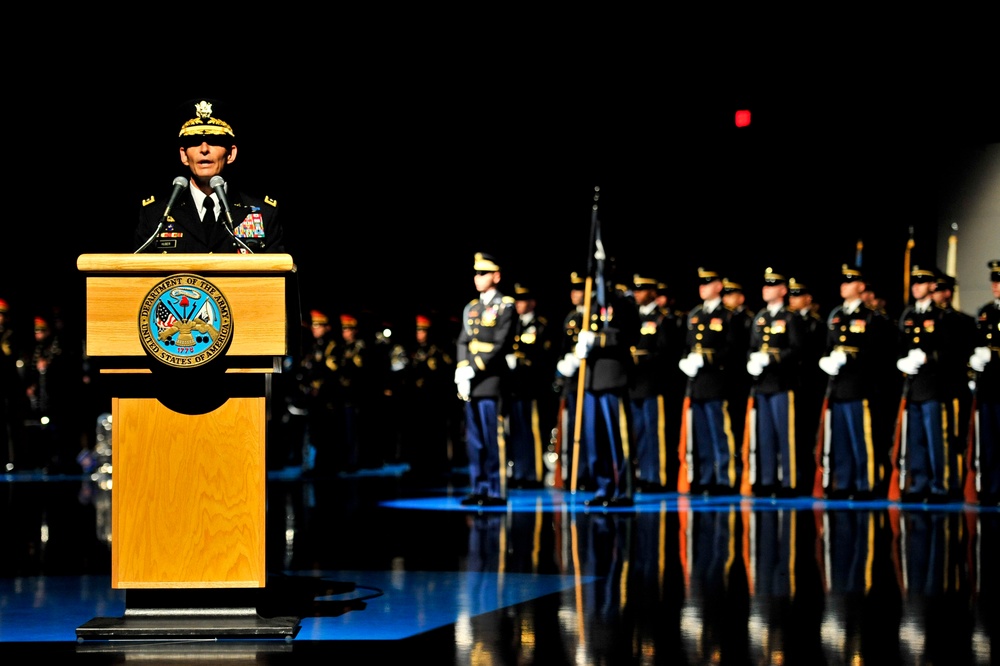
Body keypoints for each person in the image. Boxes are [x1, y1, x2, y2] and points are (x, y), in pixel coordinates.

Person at [135, 98, 285, 254]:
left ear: (231, 154)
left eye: (214, 141)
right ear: (183, 155)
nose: (204, 149)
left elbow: (279, 274)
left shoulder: (263, 213)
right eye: (194, 141)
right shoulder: (155, 215)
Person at [815, 264, 897, 500]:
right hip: (838, 387)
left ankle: (865, 483)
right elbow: (829, 346)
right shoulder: (836, 315)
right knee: (840, 438)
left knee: (861, 438)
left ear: (861, 287)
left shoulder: (870, 317)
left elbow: (877, 353)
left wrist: (850, 357)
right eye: (843, 282)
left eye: (849, 281)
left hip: (860, 386)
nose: (844, 285)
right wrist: (826, 360)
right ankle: (844, 482)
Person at [560, 276, 639, 508]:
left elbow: (628, 333)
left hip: (612, 377)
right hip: (591, 379)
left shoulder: (622, 301)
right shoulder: (590, 304)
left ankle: (623, 490)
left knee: (617, 439)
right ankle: (603, 487)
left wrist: (598, 339)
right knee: (595, 438)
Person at [890, 265, 959, 503]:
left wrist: (928, 357)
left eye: (921, 282)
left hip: (934, 386)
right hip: (913, 387)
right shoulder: (908, 315)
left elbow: (950, 351)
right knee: (915, 439)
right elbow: (898, 346)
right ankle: (919, 484)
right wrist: (901, 361)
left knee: (935, 439)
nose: (916, 286)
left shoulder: (941, 316)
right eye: (914, 282)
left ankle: (939, 486)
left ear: (931, 286)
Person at [455, 253, 516, 506]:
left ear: (496, 276)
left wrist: (474, 367)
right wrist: (461, 369)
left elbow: (500, 344)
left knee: (493, 437)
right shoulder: (472, 308)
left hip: (491, 379)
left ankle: (495, 489)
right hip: (473, 381)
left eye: (483, 273)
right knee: (475, 439)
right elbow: (462, 340)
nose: (477, 278)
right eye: (476, 273)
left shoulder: (505, 306)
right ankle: (478, 486)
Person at [679, 267, 741, 495]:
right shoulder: (695, 314)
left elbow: (731, 349)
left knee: (720, 433)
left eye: (708, 283)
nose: (702, 287)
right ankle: (705, 477)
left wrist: (705, 359)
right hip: (697, 384)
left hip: (717, 382)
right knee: (701, 434)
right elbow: (687, 345)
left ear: (718, 286)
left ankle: (725, 478)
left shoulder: (728, 315)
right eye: (701, 283)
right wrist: (686, 359)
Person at [742, 269, 803, 497]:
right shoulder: (760, 318)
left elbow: (796, 349)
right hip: (762, 384)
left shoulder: (790, 317)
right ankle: (767, 480)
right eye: (765, 285)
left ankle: (789, 481)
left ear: (783, 290)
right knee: (764, 435)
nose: (766, 289)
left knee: (784, 435)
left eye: (772, 285)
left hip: (782, 383)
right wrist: (751, 360)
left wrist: (771, 358)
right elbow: (752, 347)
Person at [628, 274, 684, 492]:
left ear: (652, 292)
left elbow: (665, 352)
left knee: (654, 432)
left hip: (654, 383)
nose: (637, 294)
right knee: (639, 432)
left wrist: (639, 359)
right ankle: (643, 474)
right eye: (636, 290)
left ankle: (657, 476)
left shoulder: (663, 319)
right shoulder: (634, 317)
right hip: (635, 384)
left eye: (642, 290)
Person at [505, 284, 555, 489]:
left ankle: (533, 473)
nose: (518, 304)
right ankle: (519, 472)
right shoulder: (513, 324)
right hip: (515, 387)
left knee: (532, 431)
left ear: (532, 303)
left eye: (522, 300)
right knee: (516, 431)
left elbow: (544, 357)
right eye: (517, 300)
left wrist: (522, 360)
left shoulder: (540, 325)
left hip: (533, 387)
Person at [787, 278, 826, 492]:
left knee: (810, 433)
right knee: (794, 433)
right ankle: (795, 477)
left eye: (797, 295)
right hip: (792, 384)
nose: (793, 299)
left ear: (808, 298)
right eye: (791, 295)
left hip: (811, 386)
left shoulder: (815, 323)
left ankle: (809, 479)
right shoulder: (788, 320)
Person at [969, 259, 1000, 505]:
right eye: (994, 280)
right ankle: (989, 488)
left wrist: (995, 355)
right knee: (987, 441)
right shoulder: (986, 312)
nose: (996, 285)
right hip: (987, 386)